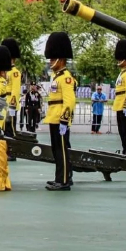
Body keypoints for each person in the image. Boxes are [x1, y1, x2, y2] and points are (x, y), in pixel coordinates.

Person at [44, 31, 76, 191]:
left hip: (60, 119)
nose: (50, 61)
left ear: (61, 59)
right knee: (57, 151)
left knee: (61, 151)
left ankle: (63, 181)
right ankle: (62, 177)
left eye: (52, 58)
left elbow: (69, 101)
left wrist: (64, 119)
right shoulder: (57, 76)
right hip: (54, 117)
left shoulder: (66, 77)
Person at [0, 38, 23, 135]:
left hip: (10, 105)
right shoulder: (4, 71)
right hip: (3, 104)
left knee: (10, 130)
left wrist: (12, 107)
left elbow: (15, 91)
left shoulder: (15, 73)